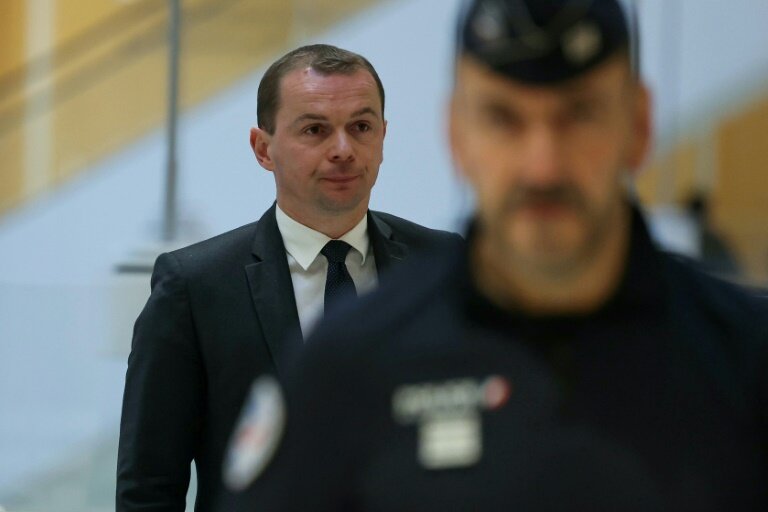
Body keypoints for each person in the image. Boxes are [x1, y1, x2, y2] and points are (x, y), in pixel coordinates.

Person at [222, 1, 768, 511]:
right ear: (457, 133)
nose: (543, 166)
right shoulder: (347, 369)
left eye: (579, 115)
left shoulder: (747, 358)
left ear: (639, 124)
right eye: (504, 119)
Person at [116, 44, 460, 511]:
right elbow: (149, 487)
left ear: (382, 136)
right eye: (315, 130)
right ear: (263, 148)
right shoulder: (195, 287)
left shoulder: (442, 266)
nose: (343, 150)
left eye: (361, 127)